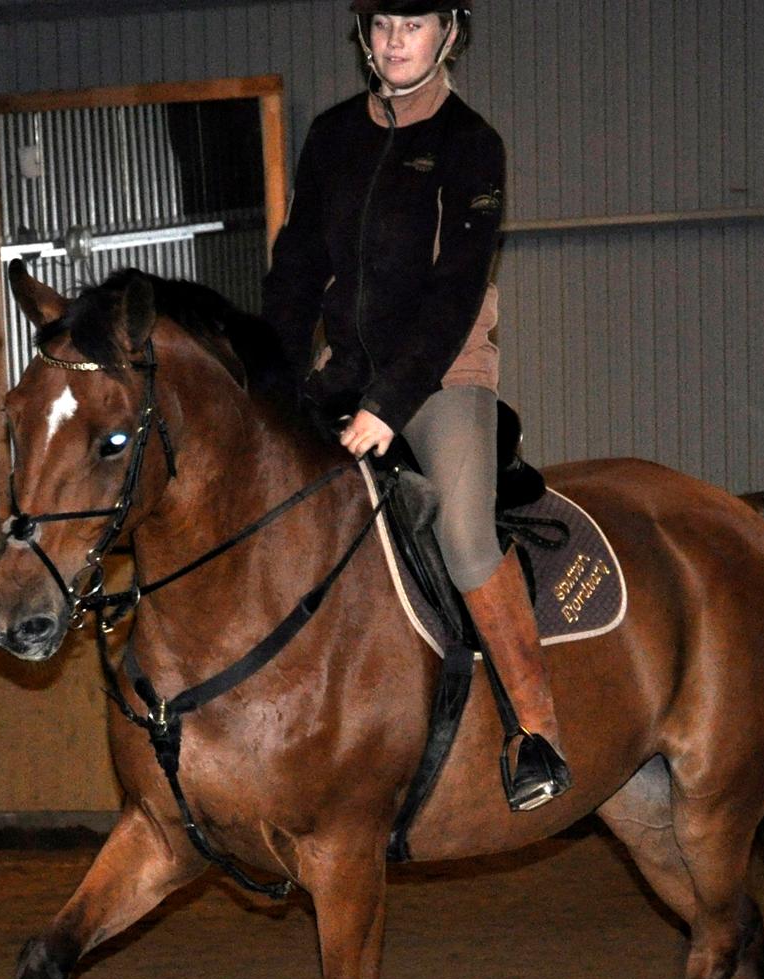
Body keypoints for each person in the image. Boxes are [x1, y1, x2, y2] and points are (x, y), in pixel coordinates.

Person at [261, 0, 571, 811]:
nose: (397, 41)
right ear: (365, 37)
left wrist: (392, 405)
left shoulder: (471, 145)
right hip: (345, 372)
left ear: (450, 34)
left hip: (440, 378)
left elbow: (456, 290)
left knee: (467, 539)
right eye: (383, 26)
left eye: (416, 24)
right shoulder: (332, 136)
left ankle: (535, 732)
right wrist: (274, 376)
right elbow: (296, 264)